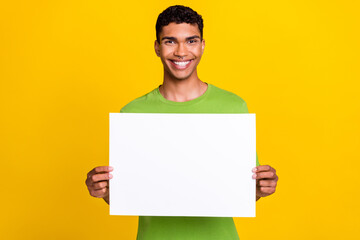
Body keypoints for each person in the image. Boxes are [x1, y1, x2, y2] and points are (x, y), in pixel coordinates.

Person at [85, 5, 278, 240]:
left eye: (191, 41)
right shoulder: (133, 113)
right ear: (157, 47)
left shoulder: (233, 107)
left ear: (202, 45)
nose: (181, 51)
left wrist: (262, 187)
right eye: (170, 41)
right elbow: (129, 192)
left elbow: (244, 192)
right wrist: (103, 191)